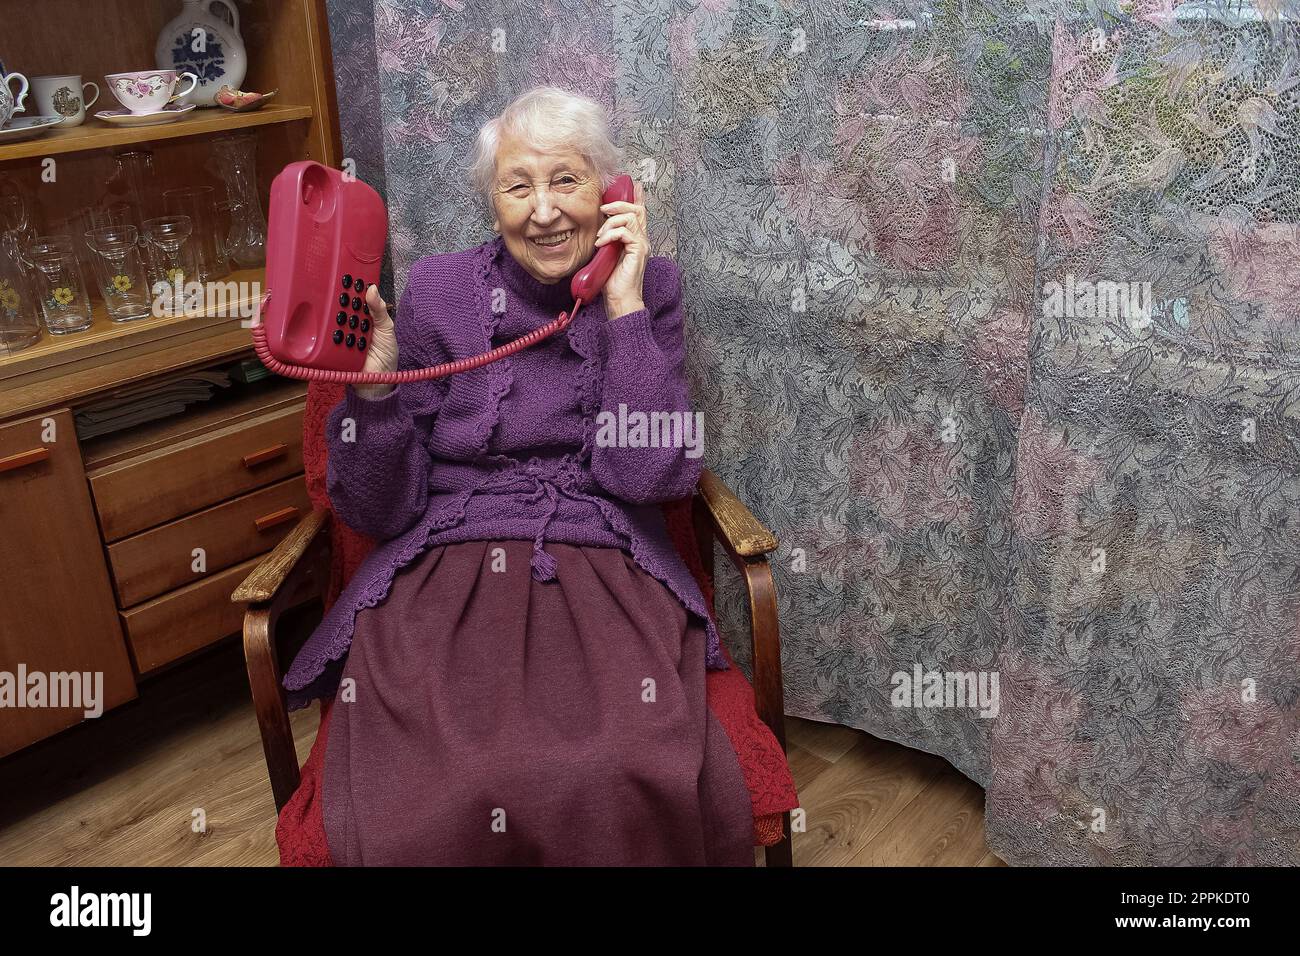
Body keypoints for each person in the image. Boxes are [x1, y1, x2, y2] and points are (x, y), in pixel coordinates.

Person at [278, 86, 755, 865]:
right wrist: (374, 391)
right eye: (517, 185)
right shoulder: (434, 290)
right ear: (490, 199)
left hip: (604, 555)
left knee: (618, 764)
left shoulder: (650, 288)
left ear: (610, 190)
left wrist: (624, 305)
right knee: (450, 779)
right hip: (448, 559)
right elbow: (375, 506)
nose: (543, 212)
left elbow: (648, 475)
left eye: (566, 180)